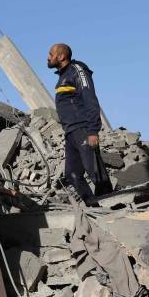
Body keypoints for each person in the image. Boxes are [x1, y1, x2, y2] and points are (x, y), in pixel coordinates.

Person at [47, 43, 107, 202]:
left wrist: (93, 130)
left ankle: (114, 206)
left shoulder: (77, 70)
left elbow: (90, 98)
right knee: (72, 174)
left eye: (51, 54)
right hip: (70, 132)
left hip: (83, 128)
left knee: (94, 170)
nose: (48, 57)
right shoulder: (62, 77)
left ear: (61, 56)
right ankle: (94, 206)